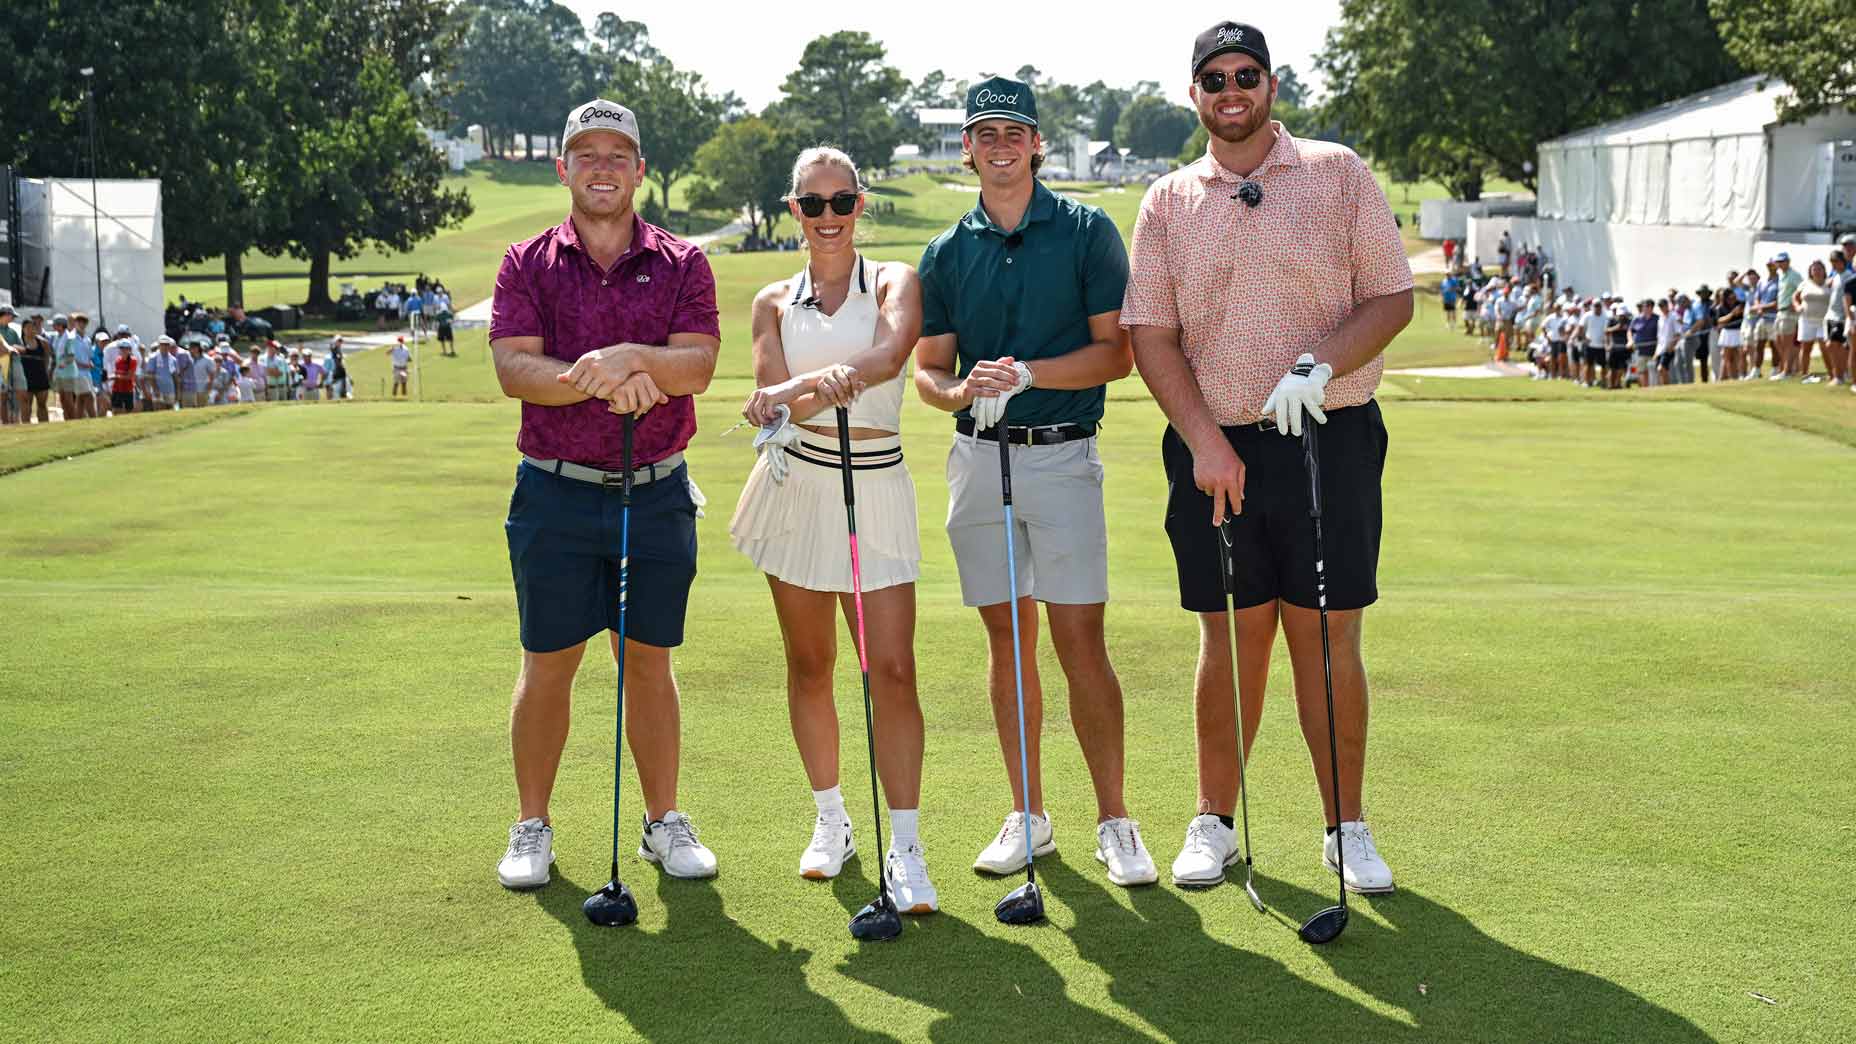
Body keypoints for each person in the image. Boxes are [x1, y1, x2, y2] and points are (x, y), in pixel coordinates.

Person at [1123, 20, 1412, 893]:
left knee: (1327, 639)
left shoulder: (1337, 172)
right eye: (1214, 78)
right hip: (1217, 451)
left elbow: (1391, 297)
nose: (1231, 90)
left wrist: (1319, 366)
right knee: (1232, 640)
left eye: (1246, 74)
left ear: (1272, 85)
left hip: (1331, 435)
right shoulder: (1169, 200)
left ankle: (1345, 827)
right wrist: (1206, 441)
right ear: (1196, 95)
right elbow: (1151, 334)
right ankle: (1213, 820)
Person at [913, 75, 1157, 888]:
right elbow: (930, 372)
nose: (1001, 146)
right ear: (970, 147)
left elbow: (1116, 355)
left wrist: (1025, 375)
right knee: (1006, 638)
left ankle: (1116, 821)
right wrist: (963, 393)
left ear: (1037, 143)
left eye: (1014, 132)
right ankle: (1029, 815)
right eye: (985, 134)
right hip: (978, 460)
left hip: (1060, 457)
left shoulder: (1087, 232)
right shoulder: (947, 252)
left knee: (1079, 638)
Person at [489, 98, 722, 890]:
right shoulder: (526, 262)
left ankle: (663, 822)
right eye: (585, 153)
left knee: (648, 663)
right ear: (563, 167)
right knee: (548, 663)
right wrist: (604, 380)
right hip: (553, 494)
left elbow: (696, 365)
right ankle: (532, 826)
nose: (601, 167)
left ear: (640, 170)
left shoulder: (684, 261)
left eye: (616, 154)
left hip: (655, 491)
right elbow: (513, 367)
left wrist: (631, 357)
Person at [728, 146, 935, 906]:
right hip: (799, 485)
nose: (827, 218)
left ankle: (906, 847)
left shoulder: (894, 281)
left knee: (893, 672)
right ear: (794, 212)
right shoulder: (771, 302)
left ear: (859, 204)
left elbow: (885, 357)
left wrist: (796, 389)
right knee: (810, 667)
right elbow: (768, 401)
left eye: (840, 202)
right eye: (811, 205)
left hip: (876, 484)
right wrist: (800, 392)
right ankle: (832, 821)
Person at [1793, 260, 1831, 383]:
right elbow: (1795, 297)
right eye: (1814, 269)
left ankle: (1833, 374)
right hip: (1806, 320)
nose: (1816, 271)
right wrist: (1797, 306)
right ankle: (1804, 375)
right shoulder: (1804, 284)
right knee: (1806, 348)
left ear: (1824, 270)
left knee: (1825, 347)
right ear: (1810, 271)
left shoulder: (1829, 283)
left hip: (1823, 321)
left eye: (1819, 269)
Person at [1771, 252, 1803, 379]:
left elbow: (1801, 290)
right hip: (1780, 312)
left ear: (1788, 261)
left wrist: (1794, 305)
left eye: (1782, 261)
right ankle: (1788, 368)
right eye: (1778, 262)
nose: (1780, 264)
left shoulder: (1794, 275)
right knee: (1777, 340)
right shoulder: (1782, 275)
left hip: (1789, 313)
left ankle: (1786, 371)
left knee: (1787, 343)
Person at [108, 335, 139, 414]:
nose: (124, 350)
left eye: (126, 348)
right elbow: (118, 374)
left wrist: (116, 376)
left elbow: (129, 377)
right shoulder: (118, 360)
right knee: (116, 410)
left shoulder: (133, 360)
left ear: (129, 350)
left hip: (128, 390)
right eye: (122, 348)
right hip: (117, 389)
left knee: (129, 411)